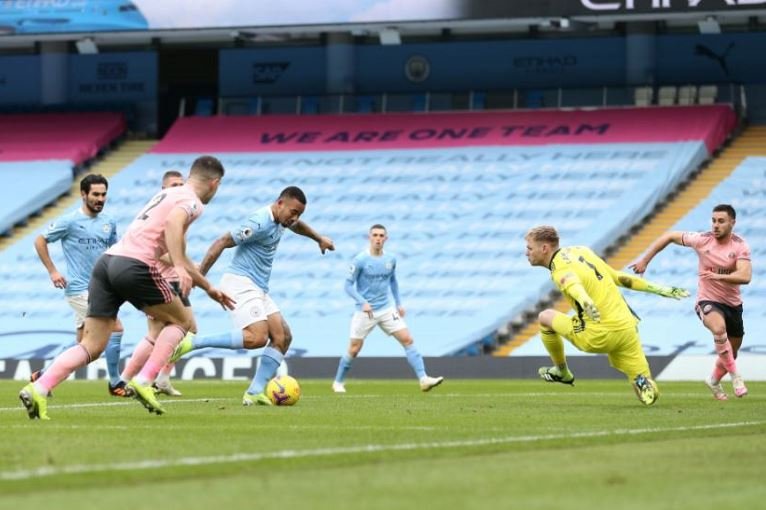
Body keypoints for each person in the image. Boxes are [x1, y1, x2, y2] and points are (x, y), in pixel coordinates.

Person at [19, 156, 235, 420]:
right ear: (215, 183)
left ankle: (39, 387)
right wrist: (178, 265)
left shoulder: (168, 193)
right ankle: (144, 381)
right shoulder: (193, 201)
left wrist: (208, 287)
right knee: (184, 323)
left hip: (106, 264)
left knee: (93, 345)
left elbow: (171, 241)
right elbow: (173, 225)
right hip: (135, 266)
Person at [170, 186, 334, 406]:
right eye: (293, 212)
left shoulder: (284, 219)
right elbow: (221, 242)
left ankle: (255, 392)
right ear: (279, 203)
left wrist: (318, 238)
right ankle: (194, 342)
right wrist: (201, 278)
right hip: (240, 282)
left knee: (283, 337)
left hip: (258, 286)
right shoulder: (259, 222)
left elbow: (296, 226)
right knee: (257, 338)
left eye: (299, 214)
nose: (294, 218)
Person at [525, 225, 691, 405]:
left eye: (529, 248)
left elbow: (572, 284)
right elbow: (619, 278)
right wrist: (661, 289)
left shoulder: (559, 270)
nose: (527, 253)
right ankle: (642, 381)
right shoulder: (582, 251)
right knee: (642, 387)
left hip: (597, 334)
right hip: (627, 329)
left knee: (545, 317)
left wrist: (585, 301)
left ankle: (562, 371)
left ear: (544, 248)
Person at [629, 204, 751, 400]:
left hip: (733, 304)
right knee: (719, 330)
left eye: (721, 221)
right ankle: (736, 377)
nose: (716, 225)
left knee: (732, 351)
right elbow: (669, 236)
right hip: (708, 300)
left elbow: (745, 276)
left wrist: (718, 277)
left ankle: (713, 380)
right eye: (713, 220)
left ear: (732, 223)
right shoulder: (702, 240)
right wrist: (645, 260)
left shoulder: (739, 245)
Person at [32, 174, 130, 397]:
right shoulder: (69, 221)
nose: (100, 198)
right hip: (80, 289)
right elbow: (40, 240)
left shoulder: (109, 222)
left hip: (102, 289)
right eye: (95, 194)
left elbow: (114, 253)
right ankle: (116, 382)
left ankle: (43, 376)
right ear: (83, 194)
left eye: (104, 194)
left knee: (86, 348)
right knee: (115, 327)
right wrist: (53, 271)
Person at [332, 224, 444, 393]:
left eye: (381, 235)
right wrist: (362, 301)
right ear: (369, 237)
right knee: (354, 349)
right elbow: (348, 286)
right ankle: (338, 382)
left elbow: (393, 281)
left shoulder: (390, 259)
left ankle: (423, 379)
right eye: (375, 235)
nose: (378, 238)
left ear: (386, 238)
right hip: (365, 312)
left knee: (407, 339)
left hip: (386, 309)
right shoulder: (360, 260)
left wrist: (398, 303)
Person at [119, 170, 192, 397]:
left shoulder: (177, 212)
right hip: (162, 279)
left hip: (171, 278)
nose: (178, 188)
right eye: (173, 185)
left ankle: (144, 378)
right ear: (163, 189)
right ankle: (137, 378)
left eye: (181, 184)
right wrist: (186, 266)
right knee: (174, 330)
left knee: (165, 332)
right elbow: (157, 252)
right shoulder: (160, 215)